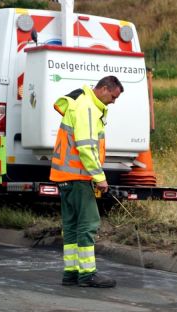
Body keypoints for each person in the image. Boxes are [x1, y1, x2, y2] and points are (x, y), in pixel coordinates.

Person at [50, 76, 123, 287]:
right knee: (89, 224)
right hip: (78, 176)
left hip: (65, 177)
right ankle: (87, 274)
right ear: (104, 89)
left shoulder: (80, 102)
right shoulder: (87, 107)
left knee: (71, 226)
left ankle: (71, 272)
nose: (113, 101)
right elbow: (86, 147)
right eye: (113, 96)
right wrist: (100, 177)